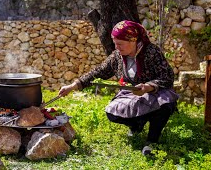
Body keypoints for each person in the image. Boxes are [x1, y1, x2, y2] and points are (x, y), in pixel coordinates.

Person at [58, 20, 179, 155]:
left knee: (165, 105)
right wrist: (73, 86)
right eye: (115, 43)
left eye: (120, 44)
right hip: (133, 94)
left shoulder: (151, 52)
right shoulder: (118, 56)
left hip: (155, 92)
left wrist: (148, 87)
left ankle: (152, 141)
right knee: (112, 113)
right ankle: (136, 125)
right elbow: (99, 72)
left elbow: (167, 77)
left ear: (133, 40)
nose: (117, 47)